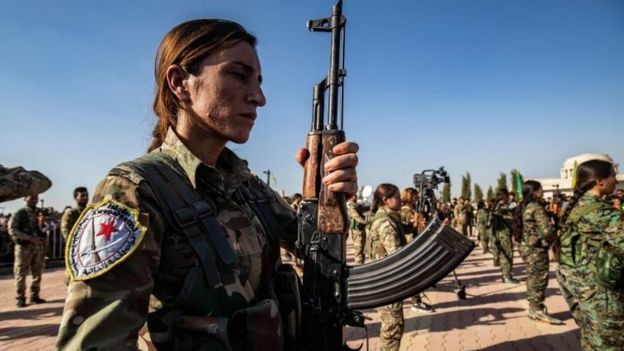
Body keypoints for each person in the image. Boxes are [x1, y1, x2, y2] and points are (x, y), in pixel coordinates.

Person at [55, 19, 359, 350]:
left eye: (258, 81)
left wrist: (328, 195)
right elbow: (94, 342)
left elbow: (315, 248)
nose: (259, 97)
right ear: (180, 82)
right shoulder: (135, 191)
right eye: (238, 75)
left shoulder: (247, 187)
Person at [557, 159, 624, 350]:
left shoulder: (573, 207)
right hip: (600, 292)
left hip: (578, 285)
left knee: (591, 340)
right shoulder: (601, 212)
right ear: (599, 181)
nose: (616, 180)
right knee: (609, 344)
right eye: (613, 175)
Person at [513, 180, 562, 325]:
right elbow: (548, 231)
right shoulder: (536, 207)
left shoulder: (524, 206)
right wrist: (556, 234)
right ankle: (537, 310)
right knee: (539, 279)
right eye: (540, 189)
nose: (543, 192)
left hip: (527, 247)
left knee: (533, 278)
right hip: (536, 249)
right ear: (534, 191)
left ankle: (534, 308)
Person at [368, 183, 405, 351]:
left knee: (391, 328)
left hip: (383, 280)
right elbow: (395, 257)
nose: (400, 200)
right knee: (392, 329)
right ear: (386, 200)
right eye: (397, 197)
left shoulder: (385, 218)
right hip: (387, 282)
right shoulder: (386, 224)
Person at [7, 195, 47, 307]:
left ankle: (34, 296)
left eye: (35, 198)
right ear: (25, 199)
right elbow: (12, 229)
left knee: (37, 271)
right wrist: (29, 238)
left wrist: (42, 223)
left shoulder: (39, 213)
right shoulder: (20, 213)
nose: (34, 200)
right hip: (24, 247)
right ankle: (20, 297)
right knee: (21, 273)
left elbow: (44, 229)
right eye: (31, 198)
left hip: (38, 247)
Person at [399, 187, 433, 313]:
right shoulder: (405, 212)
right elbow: (407, 231)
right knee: (414, 274)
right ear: (410, 197)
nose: (417, 198)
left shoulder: (412, 210)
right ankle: (416, 302)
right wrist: (416, 223)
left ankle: (416, 300)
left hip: (414, 243)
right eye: (415, 196)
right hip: (409, 245)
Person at [488, 188, 519, 284]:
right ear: (505, 196)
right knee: (507, 255)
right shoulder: (502, 206)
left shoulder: (495, 206)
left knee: (503, 255)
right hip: (503, 235)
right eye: (508, 196)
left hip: (498, 235)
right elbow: (509, 216)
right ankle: (507, 276)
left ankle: (505, 275)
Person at [347, 193, 367, 265]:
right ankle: (359, 265)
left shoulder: (357, 205)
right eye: (353, 195)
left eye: (355, 195)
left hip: (361, 230)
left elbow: (365, 208)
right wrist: (366, 222)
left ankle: (362, 264)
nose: (355, 196)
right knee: (358, 250)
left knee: (362, 249)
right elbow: (357, 217)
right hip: (357, 231)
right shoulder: (351, 207)